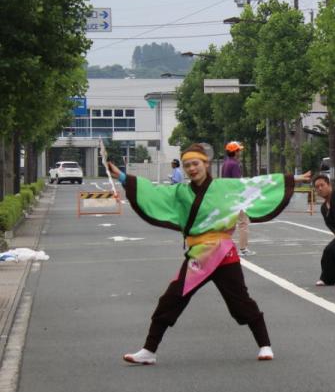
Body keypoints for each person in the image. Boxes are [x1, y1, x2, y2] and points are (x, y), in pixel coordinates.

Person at [113, 143, 310, 365]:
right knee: (171, 299)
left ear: (206, 164)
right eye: (187, 165)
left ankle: (265, 345)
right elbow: (154, 193)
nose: (191, 168)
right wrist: (124, 178)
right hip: (198, 255)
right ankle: (149, 351)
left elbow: (255, 184)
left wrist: (291, 180)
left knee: (240, 302)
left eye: (195, 163)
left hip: (223, 254)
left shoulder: (225, 187)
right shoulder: (180, 192)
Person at [221, 141, 253, 257]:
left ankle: (222, 248)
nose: (240, 152)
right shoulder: (234, 164)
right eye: (239, 150)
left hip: (227, 196)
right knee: (243, 222)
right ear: (235, 152)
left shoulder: (225, 163)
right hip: (236, 197)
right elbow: (238, 182)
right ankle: (243, 249)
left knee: (228, 224)